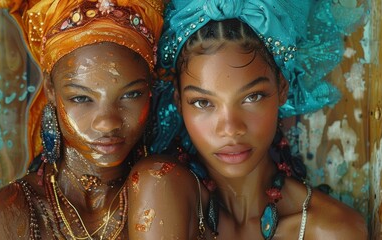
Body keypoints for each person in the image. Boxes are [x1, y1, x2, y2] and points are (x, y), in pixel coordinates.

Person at [127, 0, 368, 239]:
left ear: (283, 88)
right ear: (179, 101)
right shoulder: (158, 187)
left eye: (252, 97)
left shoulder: (332, 230)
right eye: (203, 102)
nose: (231, 129)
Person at [0, 0, 164, 239]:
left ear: (151, 87)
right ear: (50, 89)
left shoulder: (172, 196)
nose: (107, 122)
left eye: (131, 94)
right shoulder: (1, 216)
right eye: (81, 98)